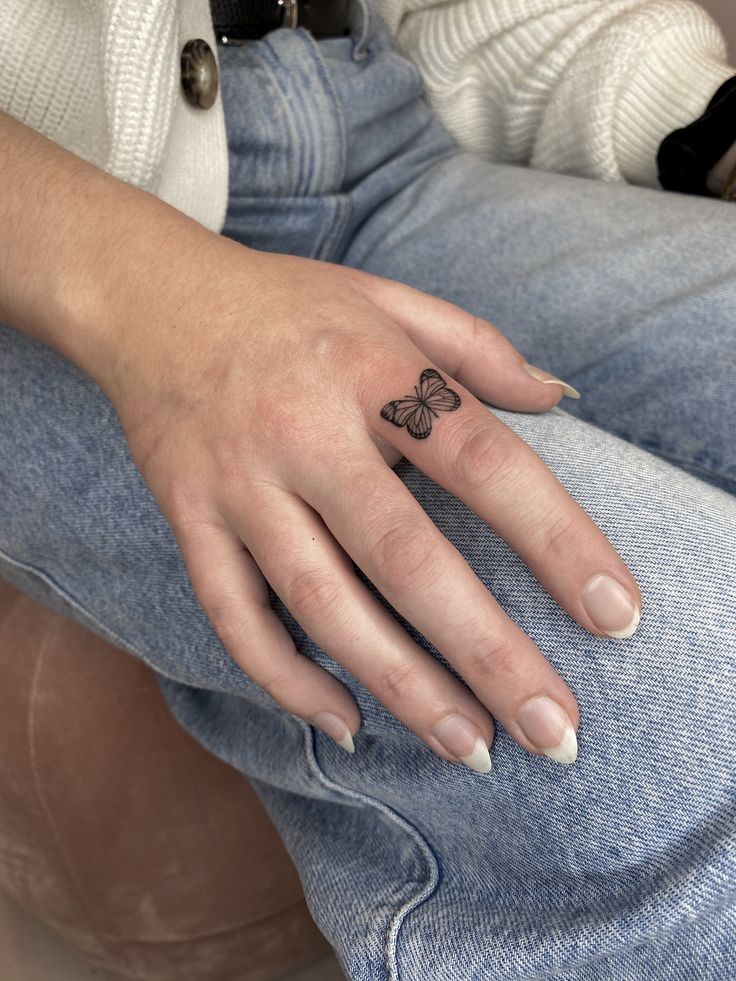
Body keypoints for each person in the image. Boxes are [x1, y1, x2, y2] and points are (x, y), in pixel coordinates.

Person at [0, 1, 734, 978]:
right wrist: (144, 289)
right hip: (44, 245)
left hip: (384, 145)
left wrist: (711, 126)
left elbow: (484, 25)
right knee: (649, 710)